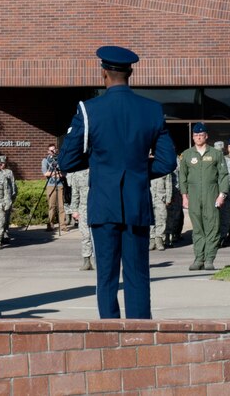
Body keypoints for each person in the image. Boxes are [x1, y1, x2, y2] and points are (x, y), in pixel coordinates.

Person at [57, 46, 176, 320]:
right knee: (137, 276)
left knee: (107, 278)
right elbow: (167, 161)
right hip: (137, 204)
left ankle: (109, 335)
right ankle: (140, 337)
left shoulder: (89, 109)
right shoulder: (152, 110)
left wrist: (101, 165)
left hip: (104, 204)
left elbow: (67, 160)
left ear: (104, 74)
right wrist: (136, 171)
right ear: (130, 72)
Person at [178, 123, 229, 271]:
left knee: (212, 227)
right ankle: (199, 258)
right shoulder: (186, 154)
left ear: (206, 136)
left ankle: (209, 259)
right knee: (198, 229)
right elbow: (183, 177)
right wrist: (184, 196)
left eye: (201, 135)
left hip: (212, 194)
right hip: (193, 195)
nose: (198, 137)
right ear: (193, 137)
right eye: (195, 135)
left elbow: (223, 175)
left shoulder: (216, 154)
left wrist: (222, 195)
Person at [68, 166, 94, 268]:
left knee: (101, 236)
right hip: (84, 208)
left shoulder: (99, 170)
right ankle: (87, 260)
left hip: (99, 207)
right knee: (85, 235)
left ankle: (101, 261)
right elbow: (75, 193)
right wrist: (74, 210)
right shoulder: (77, 173)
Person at [41, 143, 67, 234]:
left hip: (60, 185)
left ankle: (63, 225)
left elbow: (64, 174)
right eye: (51, 150)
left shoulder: (60, 160)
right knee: (51, 206)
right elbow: (45, 173)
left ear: (56, 150)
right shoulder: (45, 160)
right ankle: (50, 224)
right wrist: (56, 174)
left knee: (61, 206)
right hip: (50, 185)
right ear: (48, 151)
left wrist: (55, 174)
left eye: (54, 150)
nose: (52, 151)